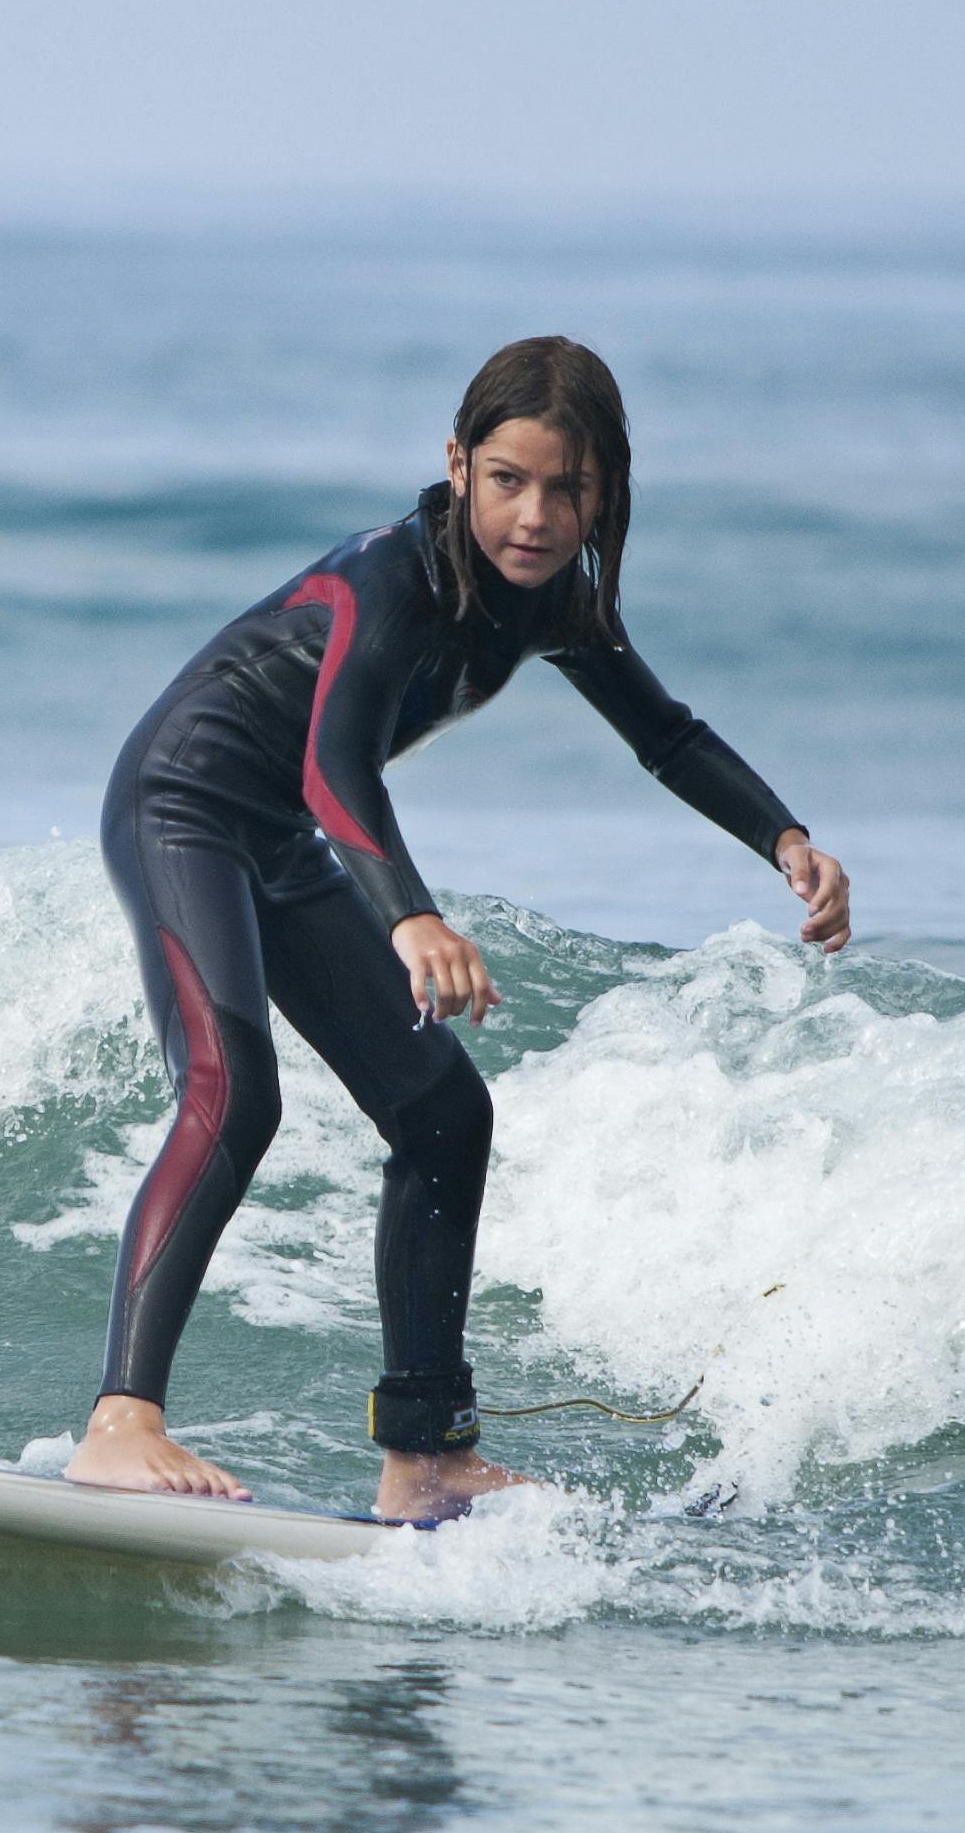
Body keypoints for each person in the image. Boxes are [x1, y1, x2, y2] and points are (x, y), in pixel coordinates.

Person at [63, 337, 850, 1520]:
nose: (534, 515)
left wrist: (784, 839)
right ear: (457, 464)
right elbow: (334, 763)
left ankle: (423, 1452)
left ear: (605, 493)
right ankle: (120, 1421)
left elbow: (666, 734)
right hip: (180, 801)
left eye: (568, 489)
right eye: (507, 480)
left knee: (442, 1111)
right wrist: (410, 917)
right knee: (234, 1092)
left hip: (272, 832)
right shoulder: (392, 576)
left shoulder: (553, 604)